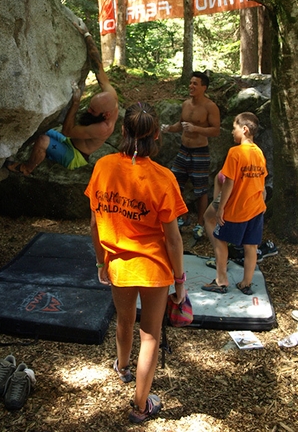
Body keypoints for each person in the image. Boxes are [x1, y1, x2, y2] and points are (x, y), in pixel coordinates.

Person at [84, 102, 187, 424]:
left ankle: (122, 366)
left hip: (118, 265)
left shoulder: (102, 167)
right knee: (151, 335)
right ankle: (141, 406)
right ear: (156, 134)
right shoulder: (163, 178)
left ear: (124, 131)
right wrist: (180, 281)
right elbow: (173, 239)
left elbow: (94, 223)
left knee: (124, 321)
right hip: (155, 269)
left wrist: (102, 261)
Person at [6, 24, 119, 176]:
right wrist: (87, 35)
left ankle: (26, 169)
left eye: (92, 110)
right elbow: (98, 67)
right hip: (70, 142)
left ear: (105, 115)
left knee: (43, 141)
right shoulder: (110, 96)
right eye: (90, 106)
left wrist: (76, 102)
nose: (88, 110)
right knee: (42, 129)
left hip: (75, 155)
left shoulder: (103, 128)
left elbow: (67, 131)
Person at [201, 112, 268, 295]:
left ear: (244, 129)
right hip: (255, 208)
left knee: (221, 240)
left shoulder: (235, 152)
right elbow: (261, 183)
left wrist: (221, 207)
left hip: (237, 209)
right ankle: (246, 283)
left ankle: (221, 280)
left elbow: (228, 182)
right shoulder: (259, 153)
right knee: (251, 246)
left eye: (234, 127)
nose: (232, 132)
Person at [161, 71, 220, 241]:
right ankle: (184, 217)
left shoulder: (210, 106)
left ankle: (200, 224)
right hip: (183, 150)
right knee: (175, 184)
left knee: (200, 189)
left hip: (200, 151)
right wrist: (169, 128)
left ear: (204, 87)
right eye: (190, 83)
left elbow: (215, 130)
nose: (191, 86)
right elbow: (181, 124)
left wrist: (197, 129)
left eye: (195, 84)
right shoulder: (186, 104)